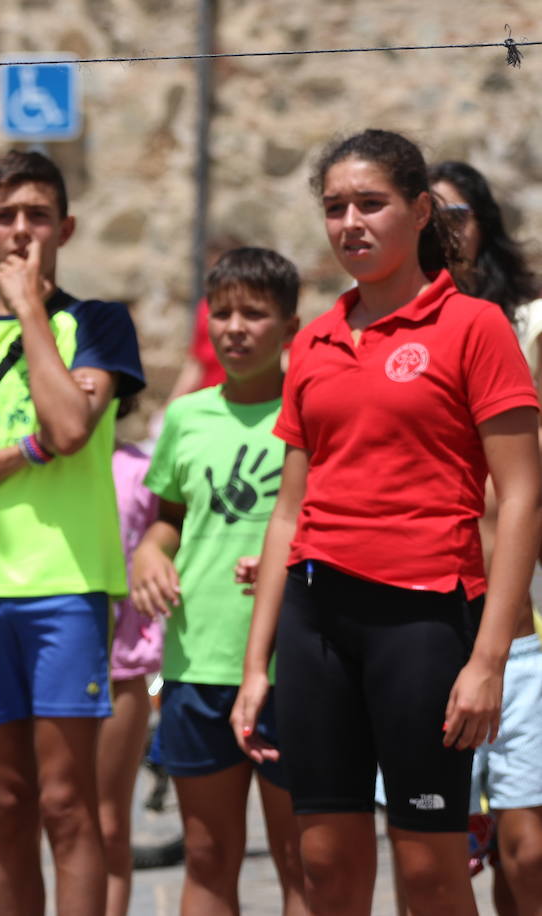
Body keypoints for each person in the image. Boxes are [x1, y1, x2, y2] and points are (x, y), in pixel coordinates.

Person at [231, 129, 541, 915]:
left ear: (420, 210)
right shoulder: (315, 341)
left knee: (432, 870)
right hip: (315, 620)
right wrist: (256, 664)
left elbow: (522, 498)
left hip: (426, 621)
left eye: (371, 203)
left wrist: (489, 661)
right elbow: (288, 513)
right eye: (335, 207)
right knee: (325, 864)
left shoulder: (474, 327)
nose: (350, 223)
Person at [0, 149, 146, 916]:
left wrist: (32, 309)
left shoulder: (99, 324)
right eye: (6, 216)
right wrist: (21, 454)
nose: (21, 231)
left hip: (67, 588)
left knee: (68, 804)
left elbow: (72, 429)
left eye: (37, 215)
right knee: (6, 804)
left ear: (65, 227)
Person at [130, 247, 307, 915]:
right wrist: (151, 549)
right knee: (207, 857)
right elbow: (169, 518)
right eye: (222, 313)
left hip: (293, 668)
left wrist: (290, 564)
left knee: (301, 861)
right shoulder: (187, 417)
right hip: (197, 659)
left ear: (290, 328)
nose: (234, 327)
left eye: (254, 314)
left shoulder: (313, 413)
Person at [429, 160, 542, 915]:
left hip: (522, 601)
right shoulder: (384, 328)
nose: (445, 227)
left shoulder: (532, 322)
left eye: (457, 212)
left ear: (484, 223)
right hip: (431, 598)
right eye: (430, 212)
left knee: (525, 839)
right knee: (434, 836)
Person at [98, 416, 163, 916]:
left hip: (119, 666)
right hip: (43, 660)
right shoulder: (33, 461)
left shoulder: (139, 468)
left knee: (109, 821)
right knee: (50, 814)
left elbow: (167, 538)